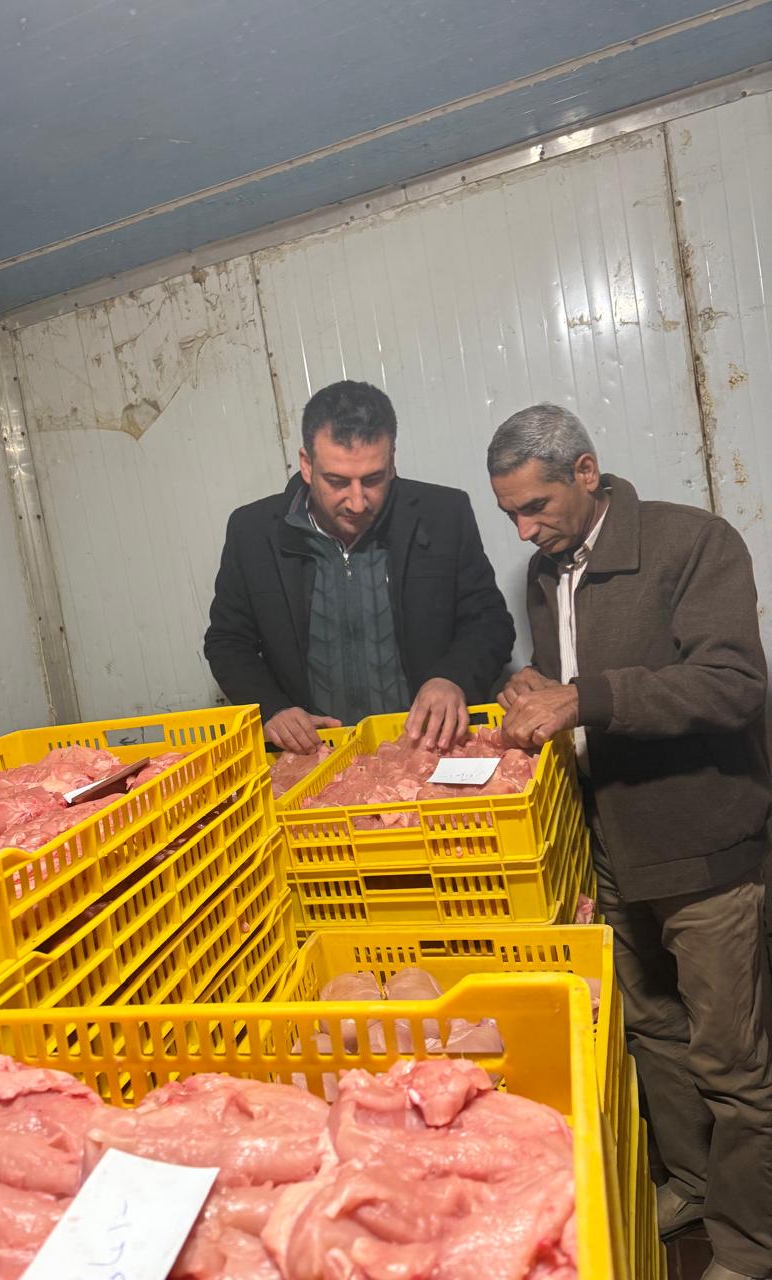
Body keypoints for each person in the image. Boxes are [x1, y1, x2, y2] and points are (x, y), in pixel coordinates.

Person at [487, 402, 772, 1280]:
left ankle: (750, 1245)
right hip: (613, 845)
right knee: (652, 1030)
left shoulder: (693, 543)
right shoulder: (548, 573)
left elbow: (732, 684)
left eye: (535, 508)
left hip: (703, 850)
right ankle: (691, 1184)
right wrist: (532, 683)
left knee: (731, 1063)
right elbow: (572, 681)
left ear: (586, 472)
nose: (525, 531)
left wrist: (584, 697)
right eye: (509, 515)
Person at [205, 379, 514, 753]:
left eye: (372, 480)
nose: (356, 502)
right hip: (316, 756)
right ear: (307, 465)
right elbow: (227, 642)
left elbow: (489, 622)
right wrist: (272, 709)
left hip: (426, 748)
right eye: (337, 482)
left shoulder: (443, 515)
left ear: (392, 460)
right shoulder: (253, 532)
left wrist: (453, 678)